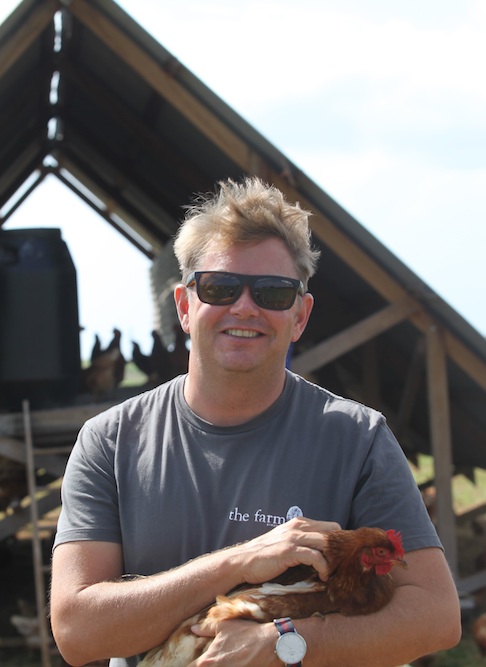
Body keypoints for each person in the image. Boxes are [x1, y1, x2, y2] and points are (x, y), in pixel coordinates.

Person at [49, 177, 462, 666]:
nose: (245, 307)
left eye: (273, 292)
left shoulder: (357, 439)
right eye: (220, 287)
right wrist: (237, 562)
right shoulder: (111, 442)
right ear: (184, 306)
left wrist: (284, 644)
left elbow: (436, 616)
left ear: (301, 316)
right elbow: (77, 632)